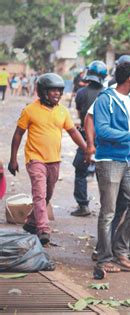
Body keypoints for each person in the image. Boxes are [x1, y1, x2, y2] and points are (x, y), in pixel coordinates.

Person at [8, 73, 87, 245]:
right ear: (43, 91)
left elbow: (73, 132)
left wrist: (87, 150)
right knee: (40, 193)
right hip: (35, 159)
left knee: (47, 194)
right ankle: (43, 229)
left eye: (59, 91)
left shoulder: (62, 111)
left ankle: (31, 222)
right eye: (53, 91)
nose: (57, 94)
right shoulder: (30, 110)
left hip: (54, 160)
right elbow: (18, 135)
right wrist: (13, 159)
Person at [93, 62, 130, 273]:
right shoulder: (105, 99)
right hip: (109, 160)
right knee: (108, 212)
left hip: (129, 159)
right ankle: (104, 258)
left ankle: (120, 249)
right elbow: (103, 131)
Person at [71, 60, 107, 217]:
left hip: (86, 138)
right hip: (105, 140)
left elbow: (82, 118)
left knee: (80, 172)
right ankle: (107, 207)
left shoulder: (81, 93)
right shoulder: (107, 93)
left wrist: (81, 130)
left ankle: (83, 205)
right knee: (105, 176)